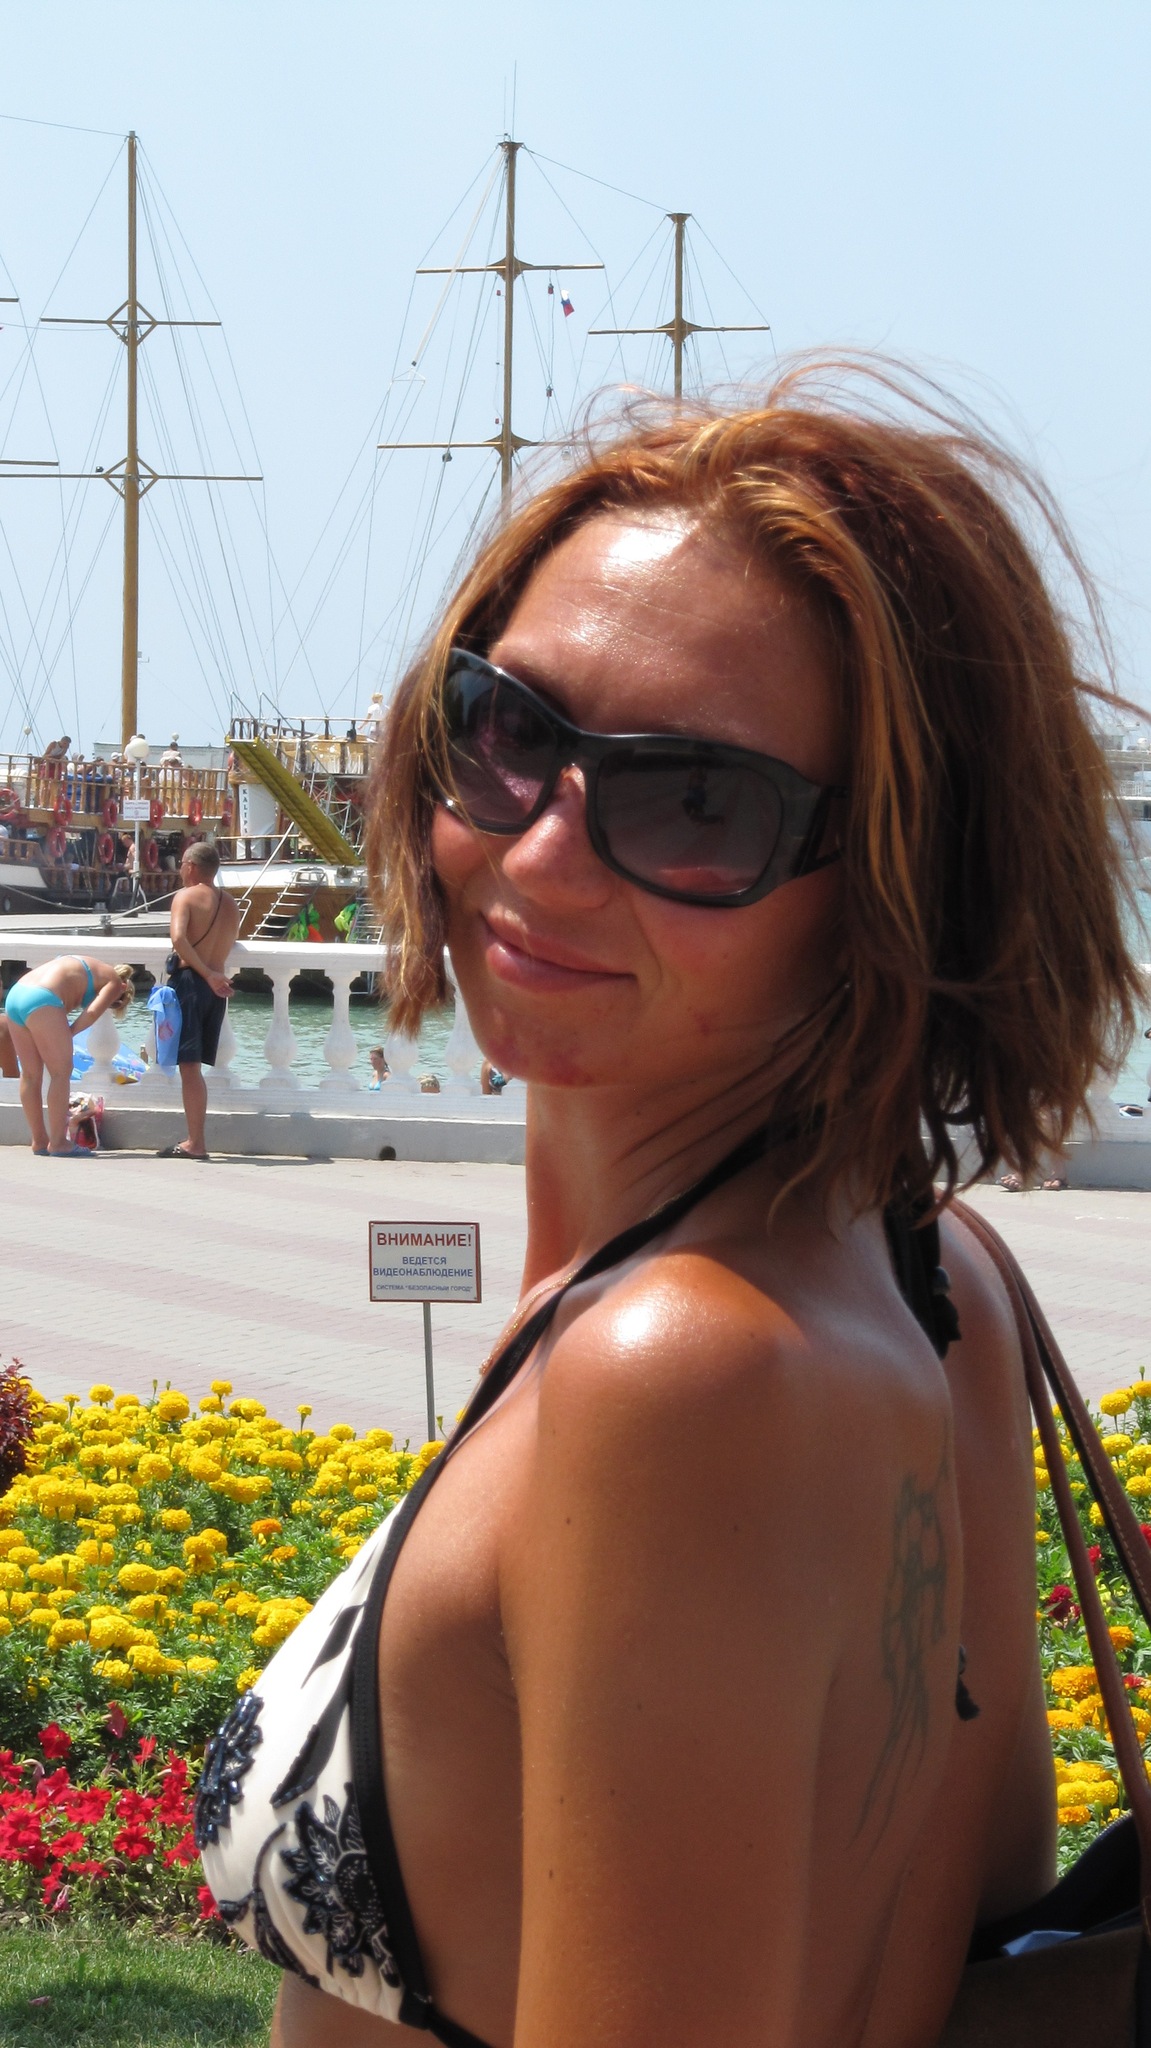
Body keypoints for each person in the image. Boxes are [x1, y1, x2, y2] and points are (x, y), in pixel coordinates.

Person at [199, 370, 1144, 2048]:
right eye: (509, 731)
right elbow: (974, 1916)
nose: (543, 855)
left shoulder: (679, 1372)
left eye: (694, 800)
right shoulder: (930, 1270)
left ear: (891, 879)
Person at [157, 840, 239, 1160]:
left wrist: (204, 972)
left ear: (190, 867)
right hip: (215, 990)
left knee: (189, 1067)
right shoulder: (230, 903)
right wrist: (213, 974)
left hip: (193, 982)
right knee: (194, 1066)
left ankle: (196, 1142)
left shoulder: (186, 896)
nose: (180, 869)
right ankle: (196, 1139)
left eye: (181, 864)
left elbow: (179, 938)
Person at [3, 957, 135, 1154]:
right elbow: (92, 1013)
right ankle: (58, 1143)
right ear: (122, 989)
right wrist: (68, 1033)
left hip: (16, 994)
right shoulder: (115, 983)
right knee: (61, 1072)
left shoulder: (88, 966)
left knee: (30, 1075)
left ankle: (39, 1140)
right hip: (42, 998)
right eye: (112, 1003)